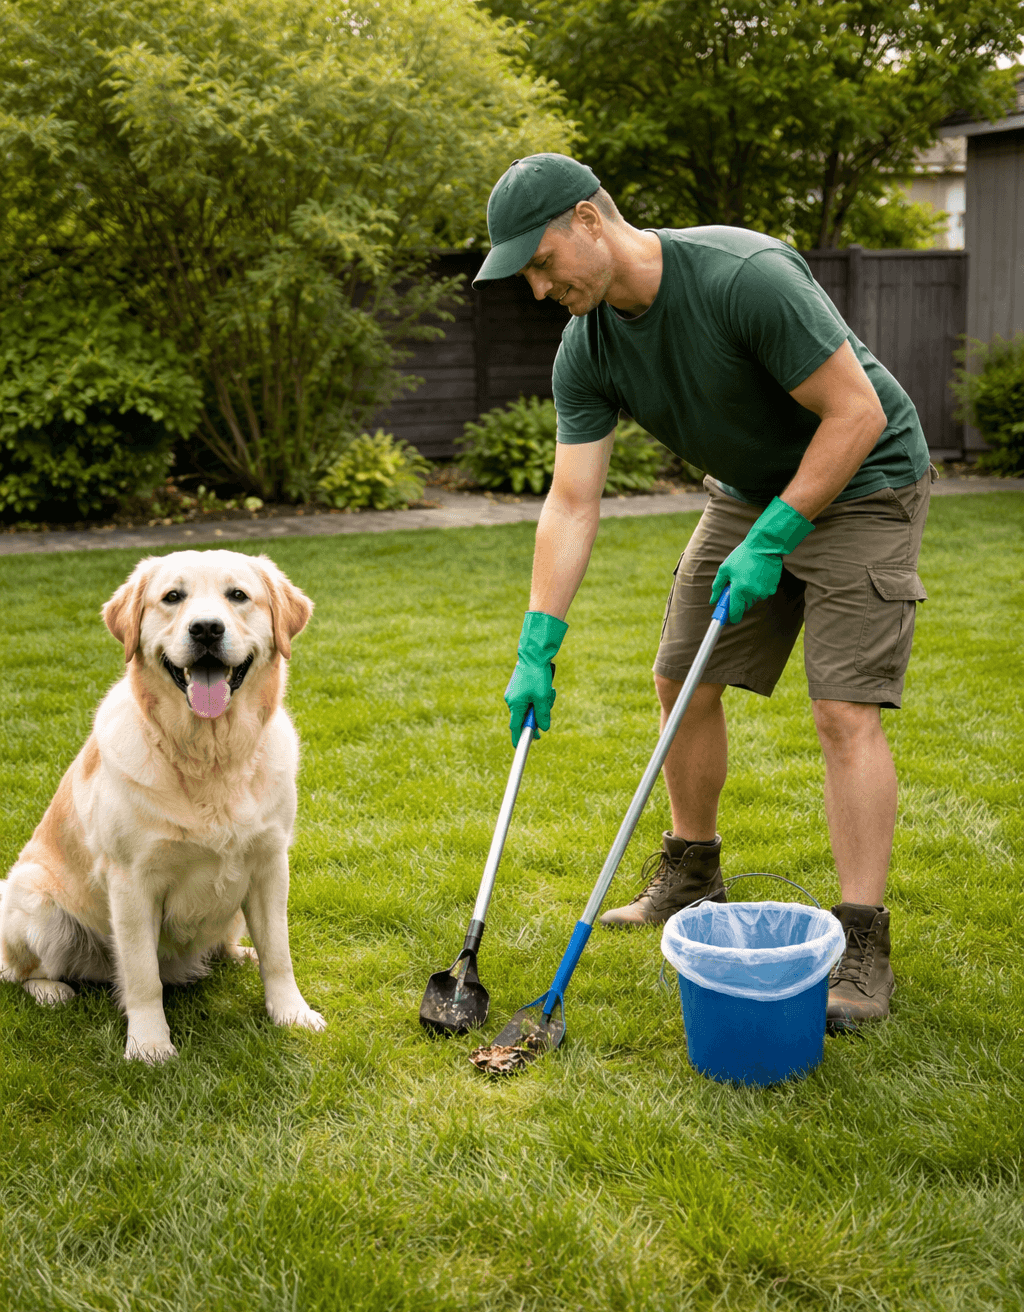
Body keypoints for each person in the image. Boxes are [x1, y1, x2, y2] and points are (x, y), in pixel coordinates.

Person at [473, 153, 934, 1032]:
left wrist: (777, 536)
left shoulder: (743, 277)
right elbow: (571, 503)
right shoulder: (590, 347)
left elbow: (858, 413)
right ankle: (691, 873)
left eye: (540, 263)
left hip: (866, 477)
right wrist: (537, 644)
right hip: (748, 489)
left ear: (587, 220)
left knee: (843, 710)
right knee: (681, 677)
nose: (538, 289)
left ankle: (862, 941)